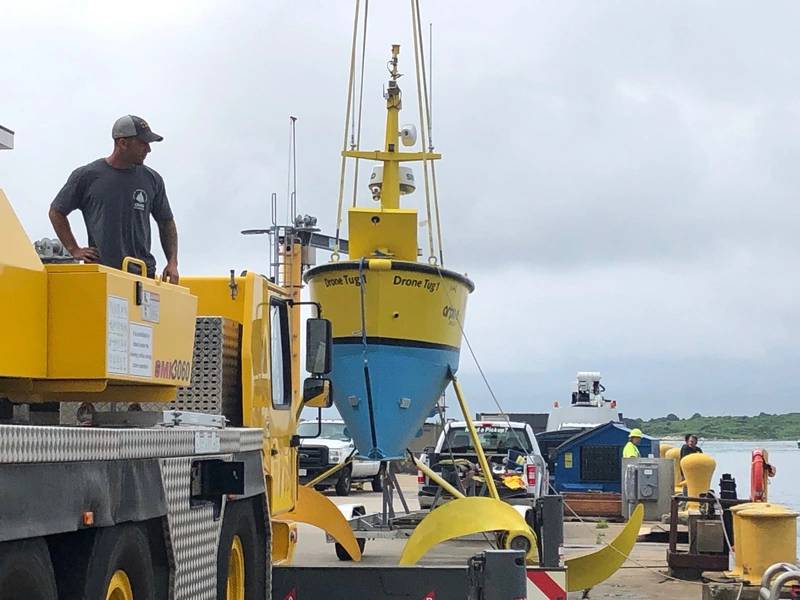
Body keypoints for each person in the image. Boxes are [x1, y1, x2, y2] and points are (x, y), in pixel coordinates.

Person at [49, 115, 179, 283]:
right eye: (142, 143)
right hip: (104, 275)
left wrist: (172, 262)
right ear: (123, 143)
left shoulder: (152, 179)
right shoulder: (87, 176)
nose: (148, 149)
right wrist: (74, 249)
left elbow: (166, 221)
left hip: (143, 274)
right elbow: (56, 211)